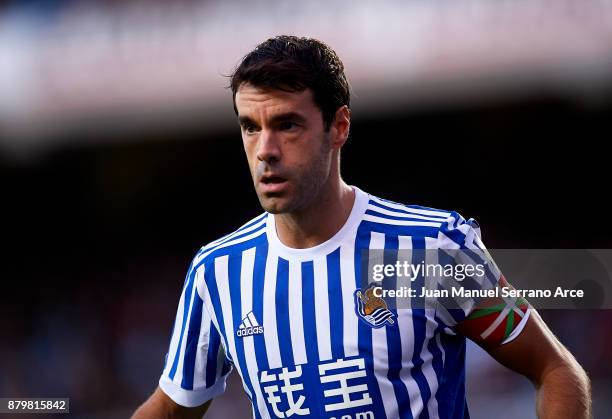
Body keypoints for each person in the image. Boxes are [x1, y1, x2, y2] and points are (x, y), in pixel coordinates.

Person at [132, 35, 591, 419]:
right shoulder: (218, 272)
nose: (265, 150)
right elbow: (173, 406)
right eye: (250, 127)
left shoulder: (432, 249)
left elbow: (554, 370)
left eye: (287, 125)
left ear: (340, 127)